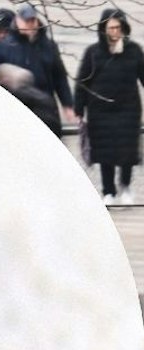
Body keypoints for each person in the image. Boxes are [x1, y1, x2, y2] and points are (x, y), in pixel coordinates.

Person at [77, 8, 144, 203]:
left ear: (124, 28)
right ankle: (108, 191)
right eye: (111, 28)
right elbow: (82, 81)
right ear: (103, 29)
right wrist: (78, 109)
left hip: (128, 108)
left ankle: (126, 186)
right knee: (105, 151)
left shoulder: (134, 51)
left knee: (127, 151)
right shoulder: (93, 53)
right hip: (100, 111)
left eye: (118, 27)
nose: (115, 32)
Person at [0, 3, 78, 124]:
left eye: (32, 20)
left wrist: (68, 105)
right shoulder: (5, 46)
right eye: (26, 20)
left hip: (45, 108)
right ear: (17, 20)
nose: (29, 24)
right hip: (16, 111)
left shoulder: (48, 46)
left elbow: (60, 77)